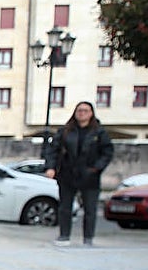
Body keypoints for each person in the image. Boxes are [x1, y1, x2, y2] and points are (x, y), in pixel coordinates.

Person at [43, 101, 113, 246]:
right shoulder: (65, 131)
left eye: (85, 110)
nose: (82, 113)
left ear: (91, 113)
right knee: (65, 207)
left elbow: (107, 152)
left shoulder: (99, 132)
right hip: (68, 174)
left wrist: (96, 168)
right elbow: (52, 150)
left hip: (89, 175)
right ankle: (64, 236)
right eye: (79, 110)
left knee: (90, 209)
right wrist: (51, 167)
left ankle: (88, 238)